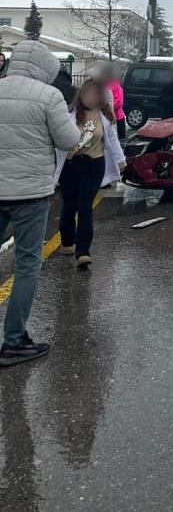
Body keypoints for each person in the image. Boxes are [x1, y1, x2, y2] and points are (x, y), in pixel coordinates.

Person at [0, 40, 80, 366]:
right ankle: (14, 341)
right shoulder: (50, 96)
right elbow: (68, 140)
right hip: (30, 194)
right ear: (46, 67)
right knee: (28, 265)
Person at [54, 79, 125, 270]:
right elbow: (60, 138)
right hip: (71, 165)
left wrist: (121, 160)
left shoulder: (104, 116)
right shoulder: (70, 115)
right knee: (69, 204)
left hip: (95, 164)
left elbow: (112, 139)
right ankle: (68, 241)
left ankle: (83, 251)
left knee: (85, 206)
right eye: (87, 94)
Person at [92, 61, 126, 140]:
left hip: (117, 116)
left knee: (117, 138)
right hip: (105, 115)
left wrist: (108, 106)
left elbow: (119, 101)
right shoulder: (101, 86)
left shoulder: (116, 86)